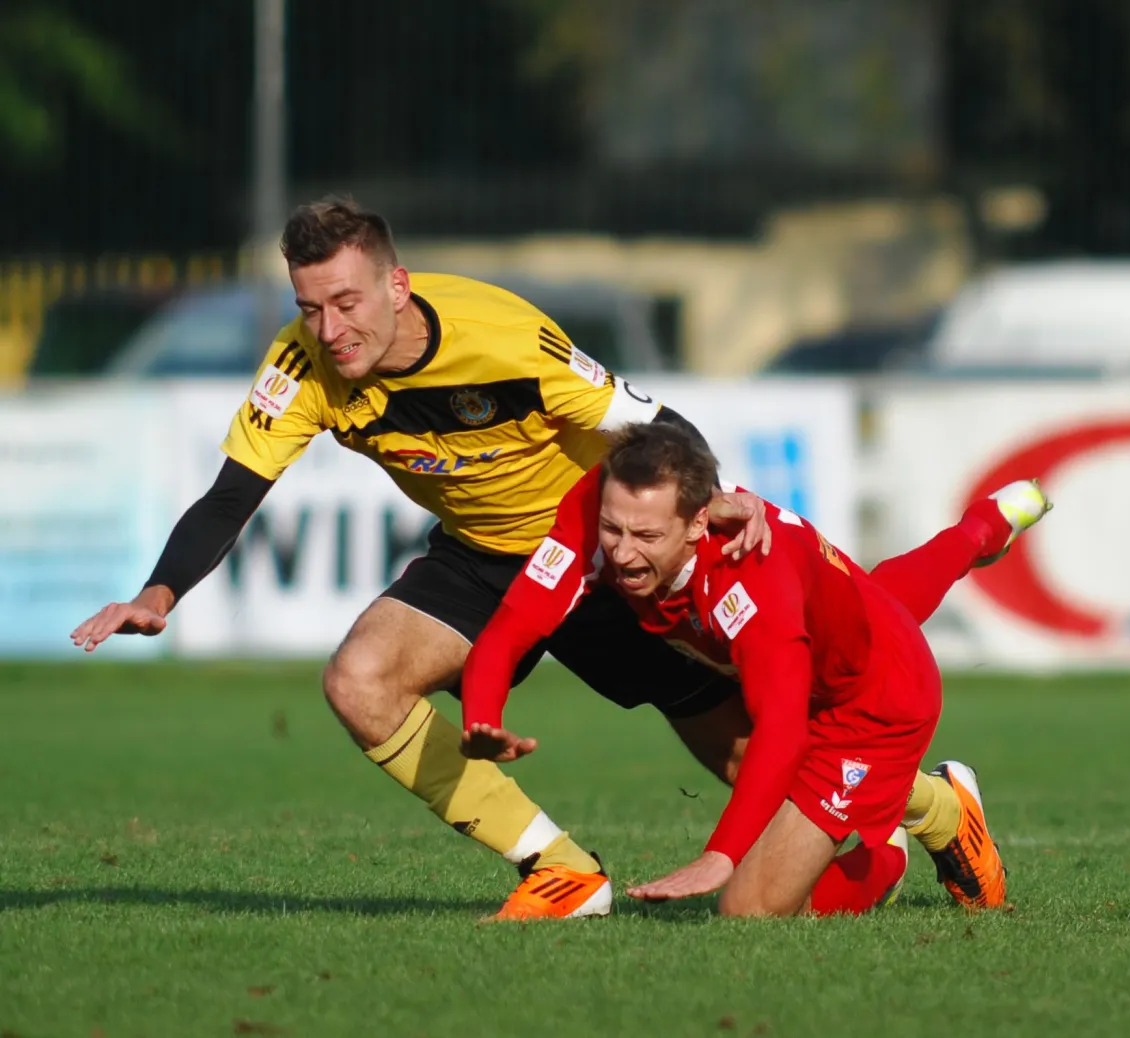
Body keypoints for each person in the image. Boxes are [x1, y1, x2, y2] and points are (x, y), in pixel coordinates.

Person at [69, 197, 771, 921]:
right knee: (359, 681)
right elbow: (230, 496)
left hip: (597, 551)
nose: (330, 331)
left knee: (749, 748)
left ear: (396, 286)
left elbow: (655, 424)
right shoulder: (302, 362)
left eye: (346, 302)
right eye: (310, 308)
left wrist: (709, 500)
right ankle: (561, 871)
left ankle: (895, 807)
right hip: (481, 558)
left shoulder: (507, 340)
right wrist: (158, 595)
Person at [461, 422, 1051, 916]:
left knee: (749, 910)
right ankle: (981, 529)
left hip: (874, 706)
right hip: (836, 632)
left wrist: (718, 856)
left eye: (645, 535)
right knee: (877, 602)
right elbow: (513, 624)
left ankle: (884, 858)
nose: (619, 551)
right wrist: (482, 715)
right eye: (613, 529)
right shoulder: (604, 503)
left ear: (697, 525)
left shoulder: (749, 579)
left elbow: (786, 731)